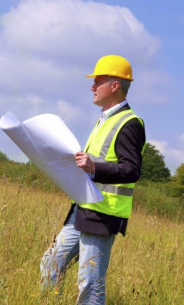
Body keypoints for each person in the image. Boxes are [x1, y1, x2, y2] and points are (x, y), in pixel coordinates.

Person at [39, 54, 146, 304]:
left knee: (90, 282)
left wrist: (93, 167)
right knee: (50, 264)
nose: (92, 86)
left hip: (103, 214)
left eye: (98, 80)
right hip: (83, 208)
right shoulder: (104, 119)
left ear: (115, 85)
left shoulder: (130, 123)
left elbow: (131, 170)